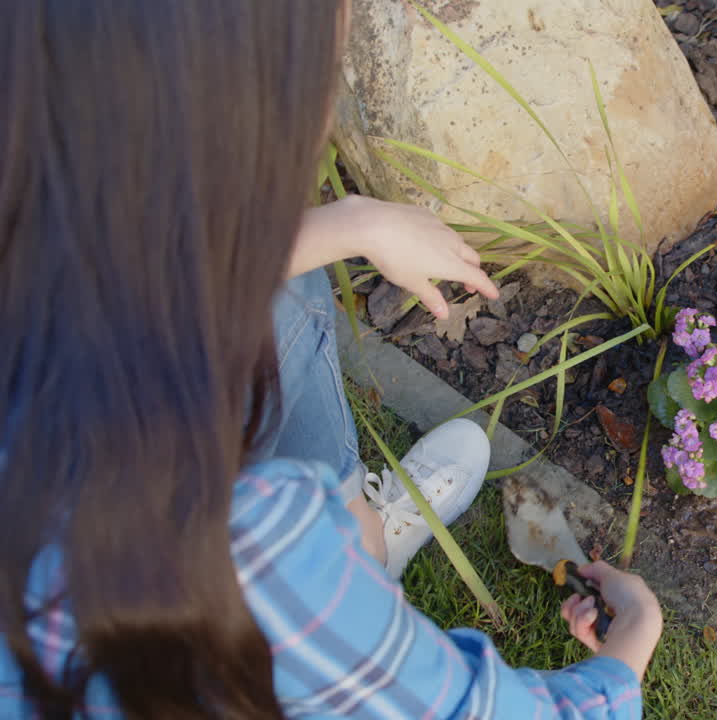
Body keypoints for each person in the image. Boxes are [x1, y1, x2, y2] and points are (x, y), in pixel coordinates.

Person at [0, 2, 662, 718]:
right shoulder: (249, 566)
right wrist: (630, 653)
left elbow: (147, 263)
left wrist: (352, 223)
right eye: (325, 68)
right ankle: (361, 554)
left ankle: (360, 535)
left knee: (281, 287)